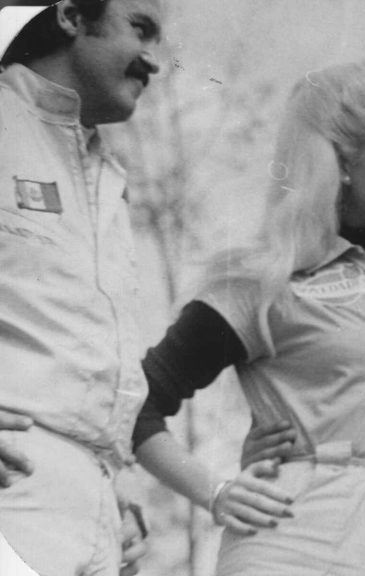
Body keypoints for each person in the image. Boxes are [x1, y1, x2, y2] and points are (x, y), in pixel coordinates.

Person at [129, 54, 365, 576]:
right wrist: (215, 491)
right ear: (343, 163)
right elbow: (132, 402)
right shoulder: (265, 282)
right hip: (295, 548)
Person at [0, 2, 291, 574]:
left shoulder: (108, 177)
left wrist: (109, 489)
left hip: (97, 510)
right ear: (71, 16)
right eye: (141, 30)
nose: (155, 61)